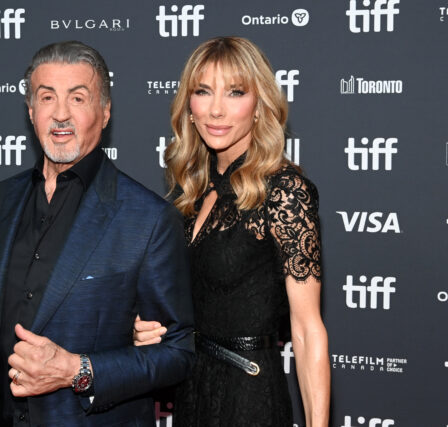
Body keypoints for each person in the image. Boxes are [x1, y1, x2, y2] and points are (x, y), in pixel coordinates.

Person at [0, 40, 195, 427]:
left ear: (105, 111)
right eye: (47, 97)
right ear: (30, 110)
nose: (60, 114)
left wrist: (77, 370)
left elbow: (177, 355)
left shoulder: (148, 219)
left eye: (78, 98)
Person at [134, 36, 330, 426]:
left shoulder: (284, 190)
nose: (217, 109)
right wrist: (149, 330)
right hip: (192, 391)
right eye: (203, 91)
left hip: (249, 395)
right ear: (188, 107)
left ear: (259, 105)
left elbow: (308, 329)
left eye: (236, 92)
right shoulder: (191, 196)